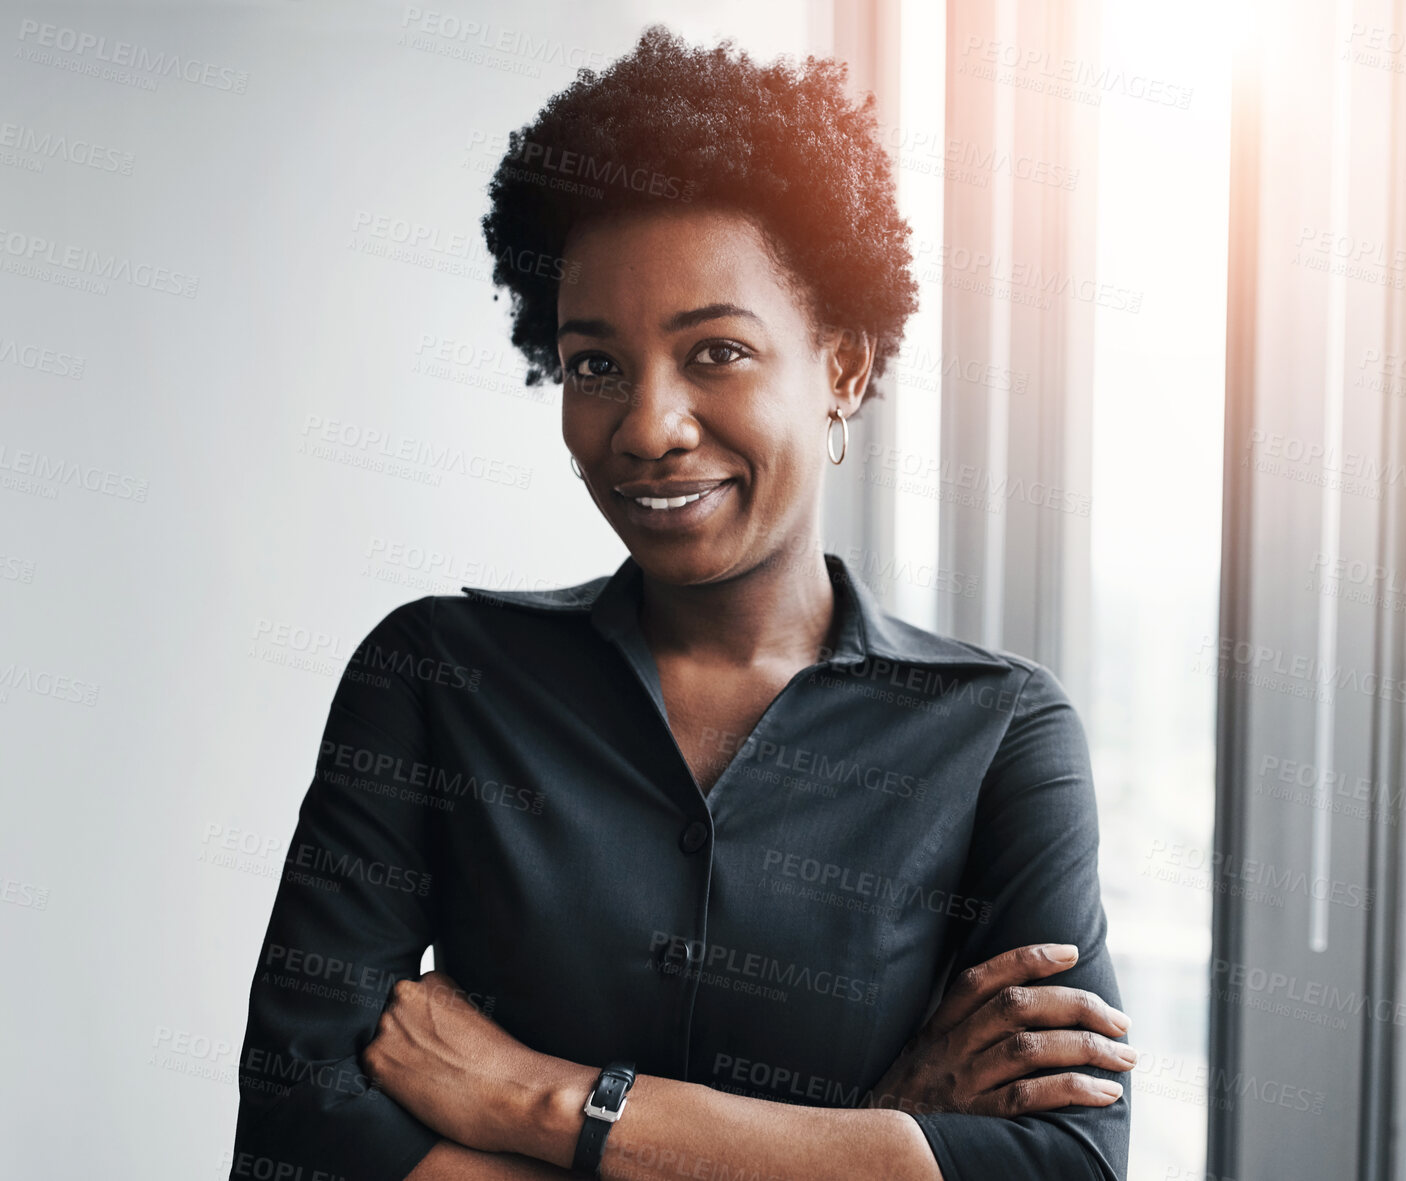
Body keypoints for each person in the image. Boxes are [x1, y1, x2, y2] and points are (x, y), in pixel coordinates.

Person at [229, 25, 1133, 1181]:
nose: (648, 427)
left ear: (844, 368)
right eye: (595, 364)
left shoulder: (998, 732)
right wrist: (873, 1132)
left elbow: (1064, 1163)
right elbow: (296, 1139)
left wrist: (536, 1097)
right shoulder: (436, 678)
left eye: (715, 351)